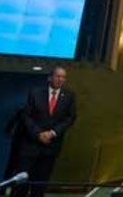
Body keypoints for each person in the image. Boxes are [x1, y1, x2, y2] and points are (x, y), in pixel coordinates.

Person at [13, 67, 77, 197]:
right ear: (50, 78)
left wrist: (53, 133)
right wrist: (38, 134)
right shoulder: (35, 93)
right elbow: (26, 116)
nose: (60, 79)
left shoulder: (69, 96)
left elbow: (69, 118)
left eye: (63, 77)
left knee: (40, 184)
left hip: (51, 147)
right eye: (57, 76)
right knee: (21, 184)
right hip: (30, 145)